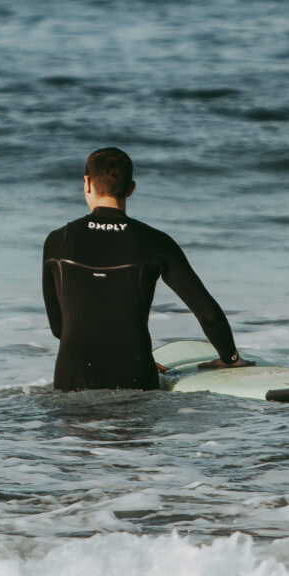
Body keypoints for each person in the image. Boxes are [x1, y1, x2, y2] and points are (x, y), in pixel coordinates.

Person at [41, 147, 246, 392]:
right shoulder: (156, 241)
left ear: (87, 183)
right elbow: (208, 313)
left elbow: (58, 328)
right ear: (131, 188)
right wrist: (230, 359)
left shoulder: (57, 240)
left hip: (71, 379)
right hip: (135, 374)